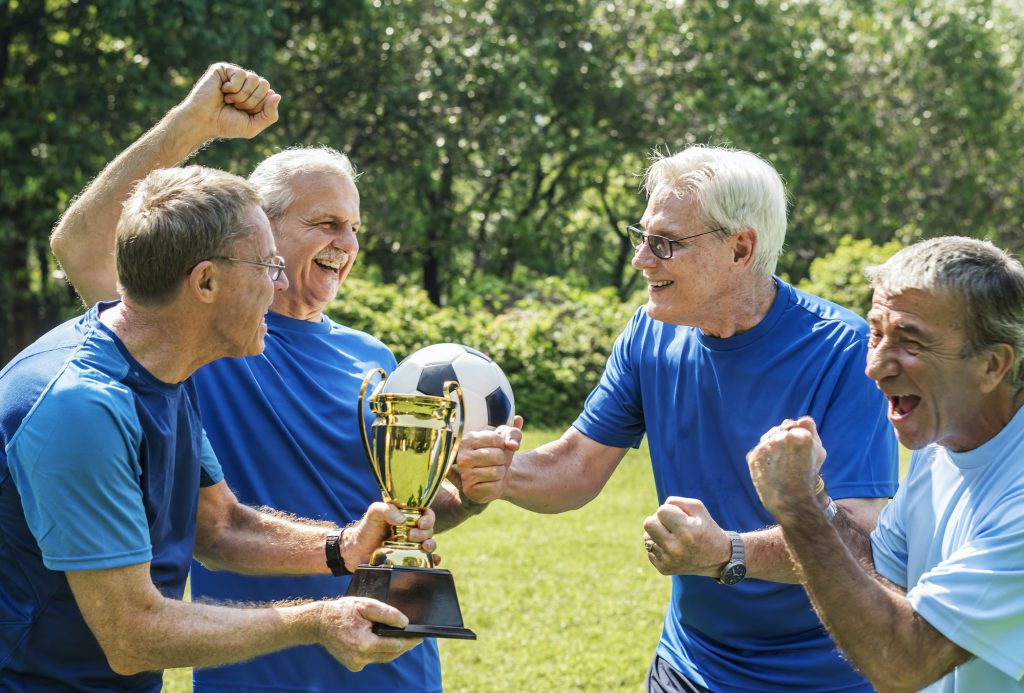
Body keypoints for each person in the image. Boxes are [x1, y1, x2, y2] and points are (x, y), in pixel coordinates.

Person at [50, 63, 518, 692]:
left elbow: (405, 512)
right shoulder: (202, 328)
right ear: (263, 227)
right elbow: (81, 246)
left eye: (354, 227)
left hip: (392, 662)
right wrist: (194, 126)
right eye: (325, 223)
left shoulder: (375, 358)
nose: (345, 243)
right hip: (259, 665)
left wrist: (470, 492)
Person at [456, 145, 899, 691]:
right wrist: (502, 473)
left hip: (826, 674)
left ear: (740, 249)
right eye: (641, 236)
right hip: (688, 665)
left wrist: (727, 553)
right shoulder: (650, 333)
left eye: (664, 243)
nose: (642, 259)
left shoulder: (845, 350)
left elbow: (861, 543)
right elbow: (576, 464)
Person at [0, 162, 435, 690]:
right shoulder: (81, 408)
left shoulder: (165, 373)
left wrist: (344, 546)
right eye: (269, 267)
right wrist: (315, 621)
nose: (277, 284)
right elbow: (132, 634)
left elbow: (220, 525)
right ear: (206, 280)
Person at [747, 236, 1024, 692]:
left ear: (992, 364)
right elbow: (880, 565)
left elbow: (904, 662)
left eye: (910, 341)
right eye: (877, 333)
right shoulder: (941, 442)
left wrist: (797, 508)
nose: (874, 366)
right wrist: (816, 499)